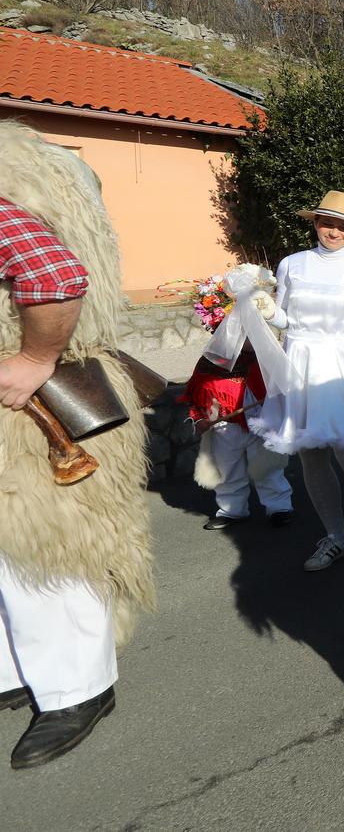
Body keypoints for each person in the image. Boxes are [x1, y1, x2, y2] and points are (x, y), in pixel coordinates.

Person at [0, 121, 154, 769]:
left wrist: (36, 355)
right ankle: (16, 669)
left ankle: (77, 688)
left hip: (31, 398)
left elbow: (52, 275)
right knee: (10, 547)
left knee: (55, 541)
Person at [249, 191, 344, 574]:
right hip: (300, 366)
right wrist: (268, 311)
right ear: (315, 223)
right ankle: (336, 537)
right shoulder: (291, 265)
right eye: (327, 223)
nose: (334, 232)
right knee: (310, 458)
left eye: (343, 226)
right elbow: (286, 320)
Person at [182, 342, 295, 531]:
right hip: (224, 425)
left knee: (267, 468)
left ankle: (279, 508)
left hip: (260, 422)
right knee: (226, 470)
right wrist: (199, 417)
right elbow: (196, 391)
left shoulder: (264, 358)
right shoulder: (211, 360)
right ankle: (231, 510)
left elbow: (282, 386)